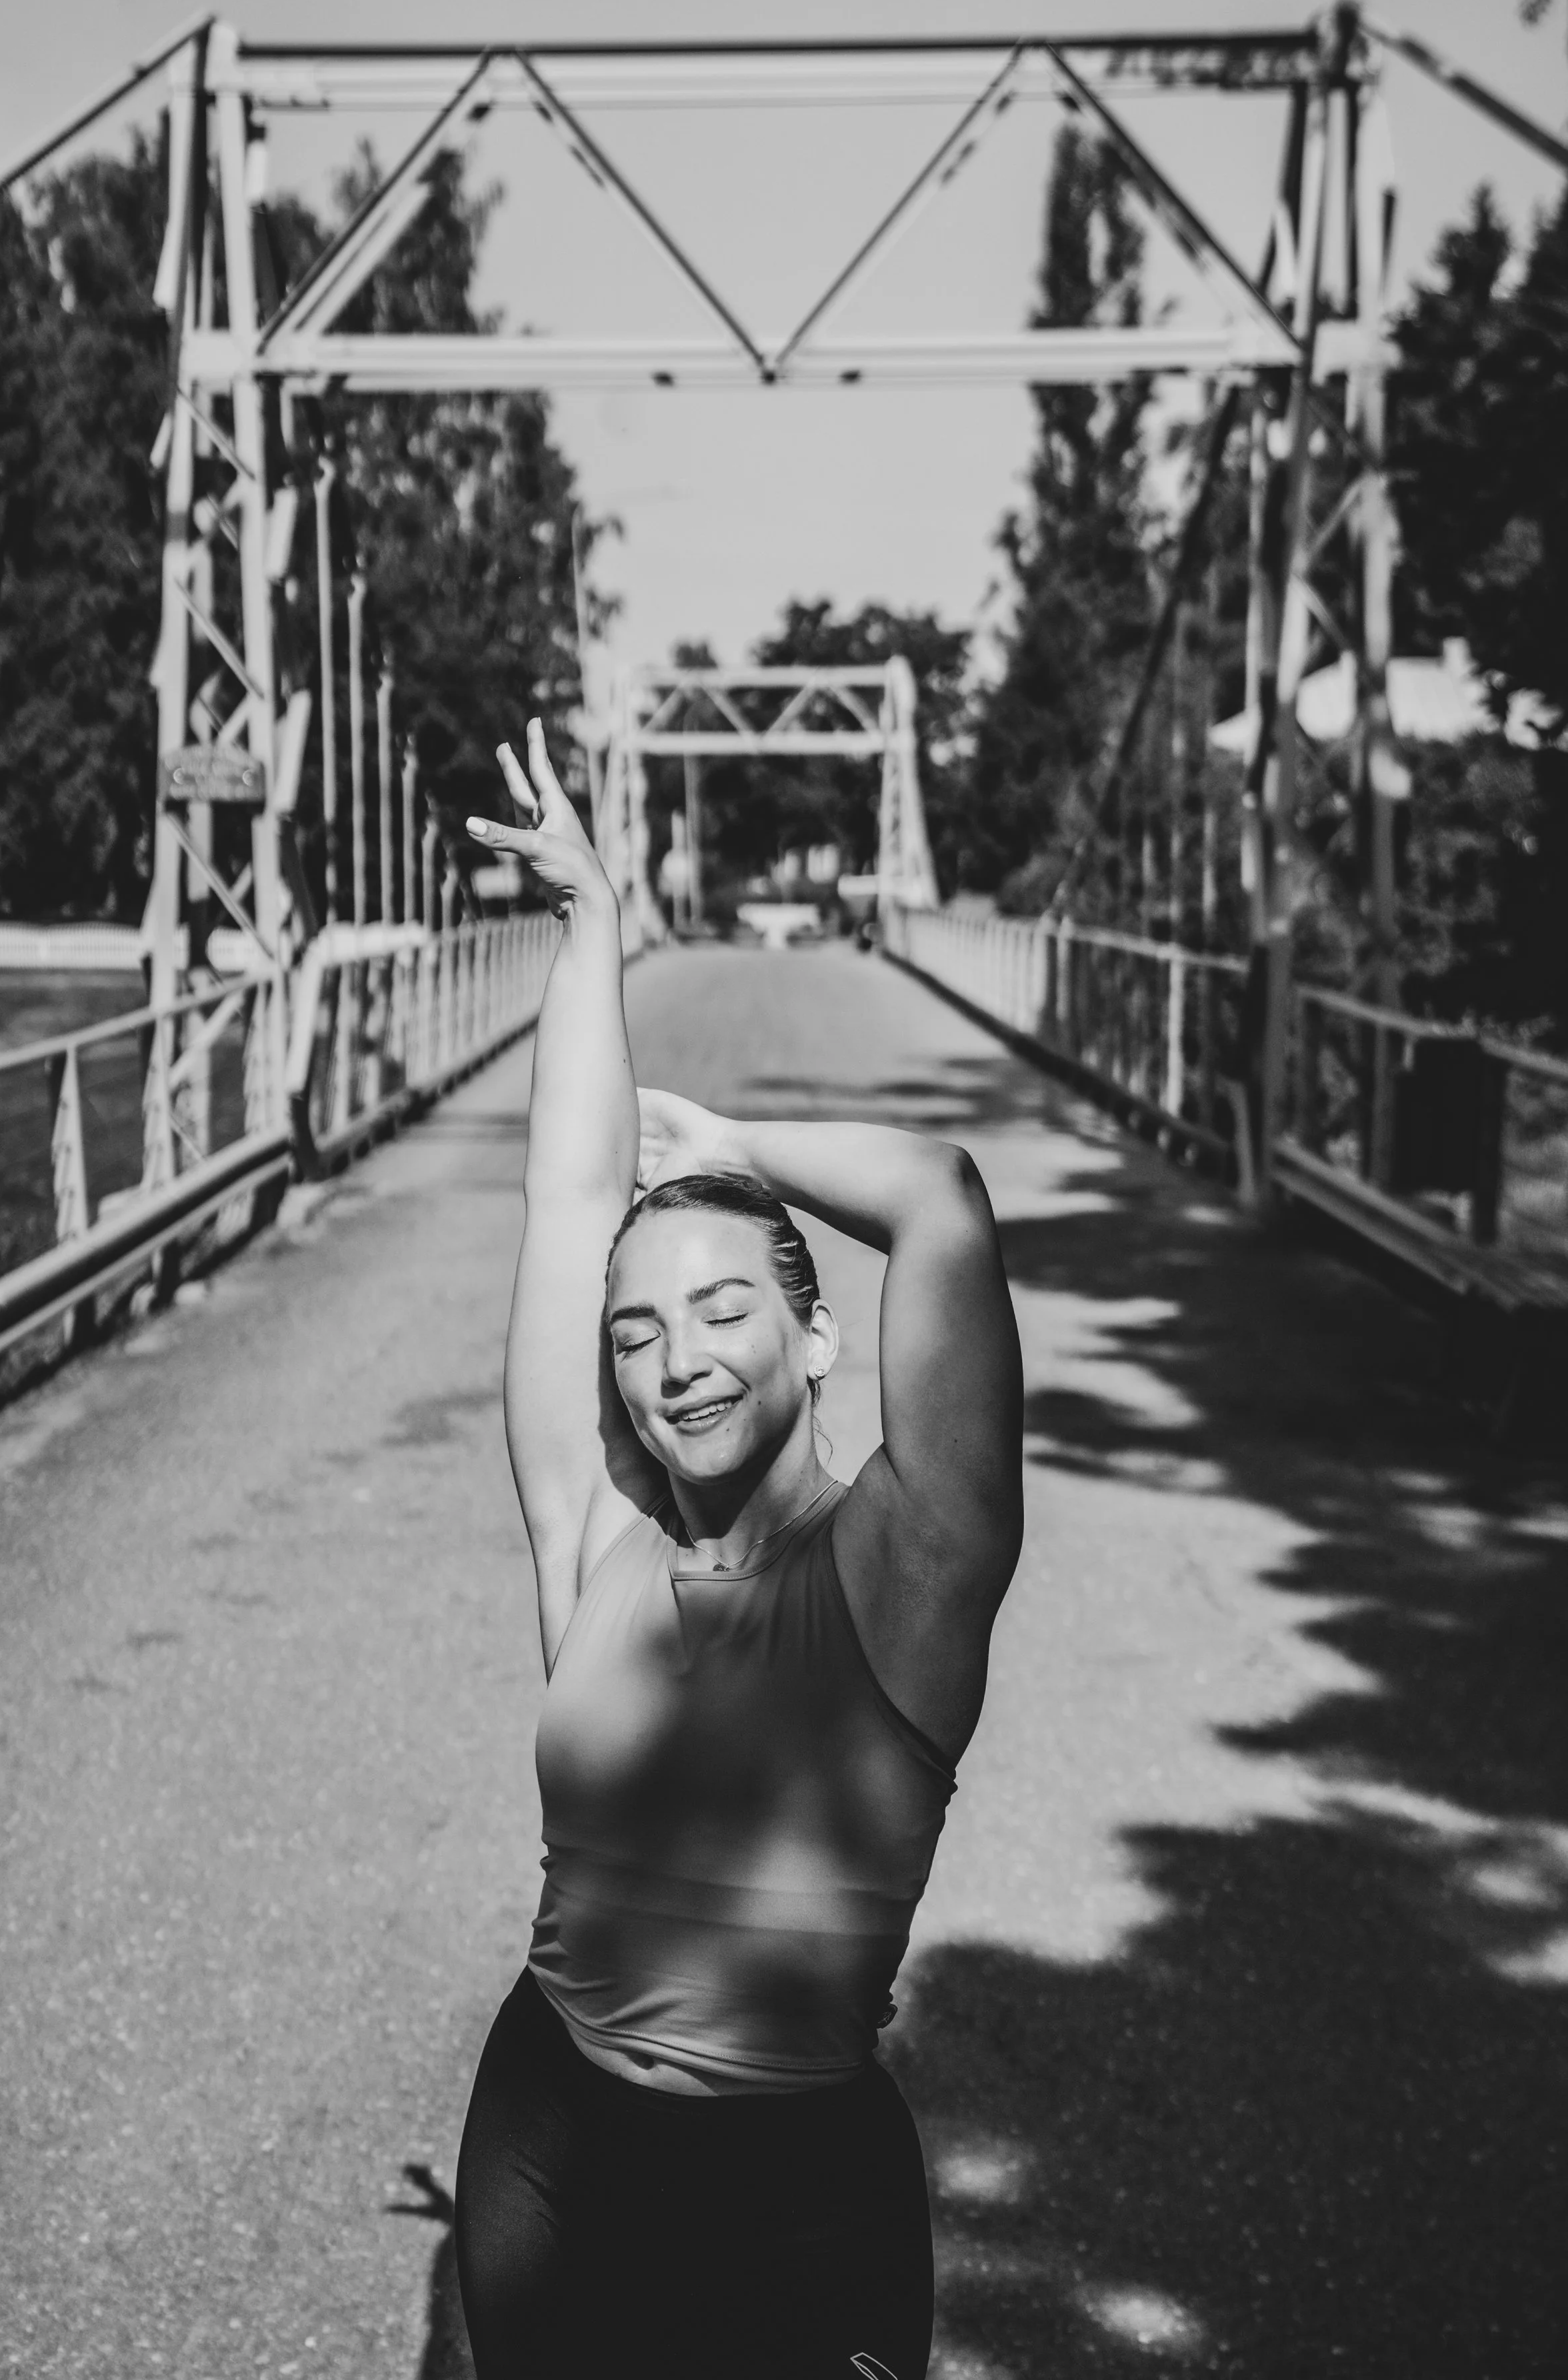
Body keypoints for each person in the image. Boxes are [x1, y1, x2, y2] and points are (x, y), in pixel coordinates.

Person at [453, 720, 1024, 2379]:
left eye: (720, 1313)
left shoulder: (905, 1571)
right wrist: (590, 920)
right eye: (636, 1335)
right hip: (546, 2144)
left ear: (817, 1339)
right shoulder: (596, 1536)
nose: (675, 1362)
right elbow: (569, 1209)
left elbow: (940, 1200)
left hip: (798, 2199)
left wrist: (731, 1153)